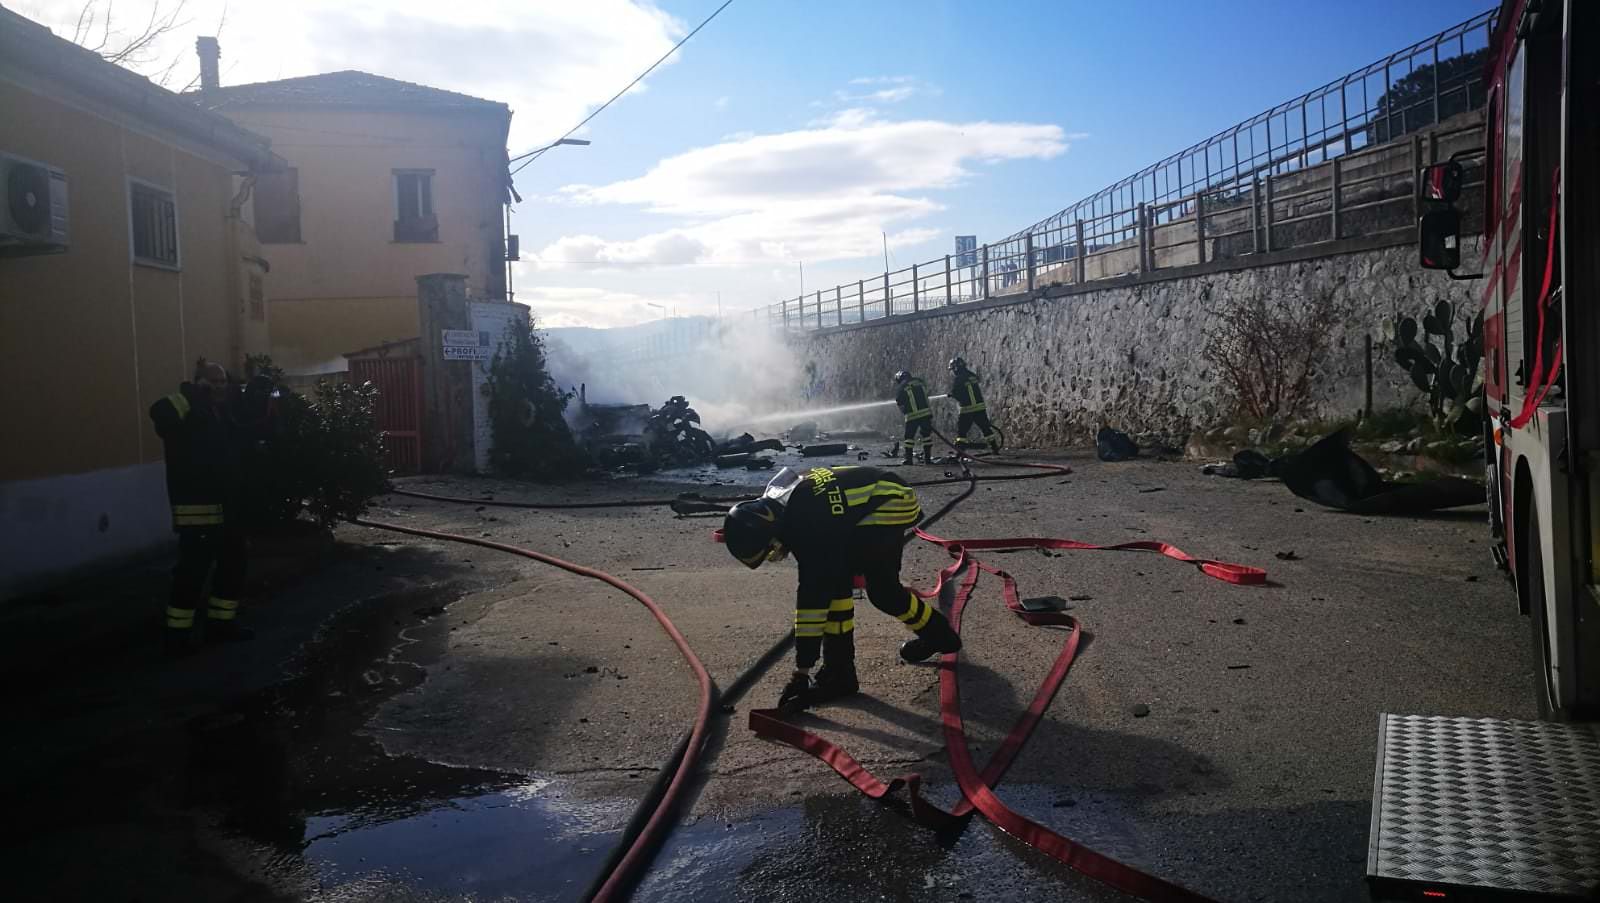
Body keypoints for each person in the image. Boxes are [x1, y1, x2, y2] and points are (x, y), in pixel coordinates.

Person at [721, 465, 963, 710]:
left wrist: (801, 672)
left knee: (881, 591)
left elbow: (812, 602)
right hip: (874, 493)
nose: (779, 554)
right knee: (836, 580)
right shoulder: (780, 502)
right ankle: (843, 671)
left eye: (772, 550)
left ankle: (846, 672)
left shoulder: (808, 528)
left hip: (891, 502)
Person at [150, 359, 251, 656]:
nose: (220, 387)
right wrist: (193, 395)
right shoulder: (185, 408)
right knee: (192, 573)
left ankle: (221, 626)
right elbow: (159, 413)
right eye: (213, 382)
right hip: (199, 511)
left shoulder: (221, 412)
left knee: (233, 566)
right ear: (198, 383)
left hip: (228, 510)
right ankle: (176, 637)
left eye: (223, 382)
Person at [948, 357, 1001, 453]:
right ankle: (994, 447)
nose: (953, 372)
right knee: (986, 428)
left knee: (962, 432)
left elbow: (956, 393)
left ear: (956, 368)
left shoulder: (958, 379)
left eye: (952, 369)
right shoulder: (972, 375)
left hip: (967, 409)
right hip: (980, 408)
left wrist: (953, 395)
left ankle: (960, 451)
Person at [892, 370, 933, 465]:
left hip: (912, 416)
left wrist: (905, 412)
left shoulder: (902, 387)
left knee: (909, 438)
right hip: (926, 414)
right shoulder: (920, 382)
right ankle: (928, 459)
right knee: (926, 436)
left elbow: (900, 402)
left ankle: (909, 460)